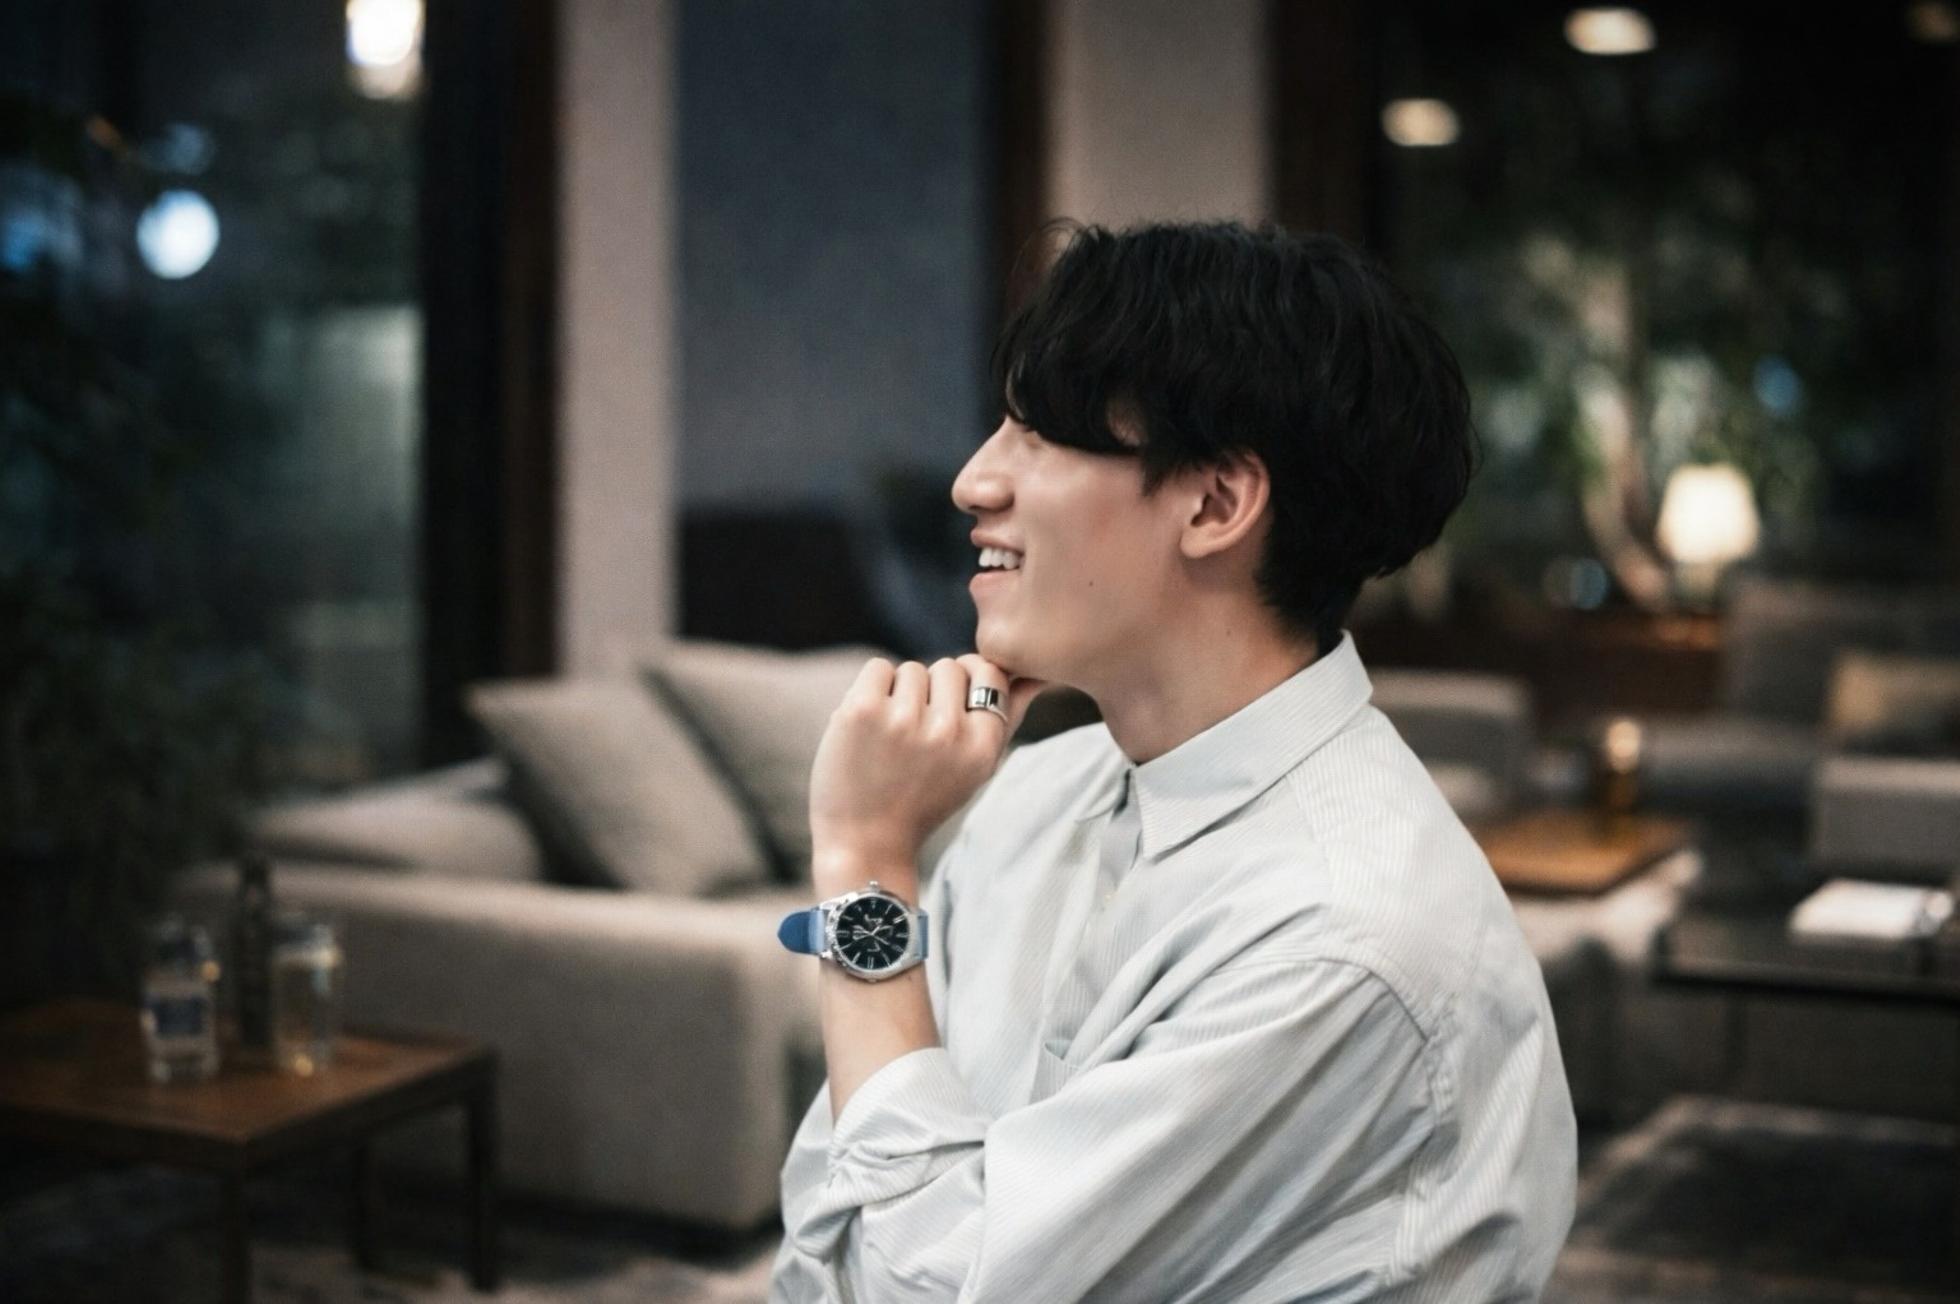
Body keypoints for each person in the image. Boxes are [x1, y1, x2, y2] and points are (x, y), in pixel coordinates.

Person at [767, 221, 1576, 1302]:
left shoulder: (1342, 939)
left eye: (1039, 435)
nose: (971, 481)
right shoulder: (1036, 795)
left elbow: (925, 1287)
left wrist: (866, 861)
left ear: (1215, 503)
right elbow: (831, 1222)